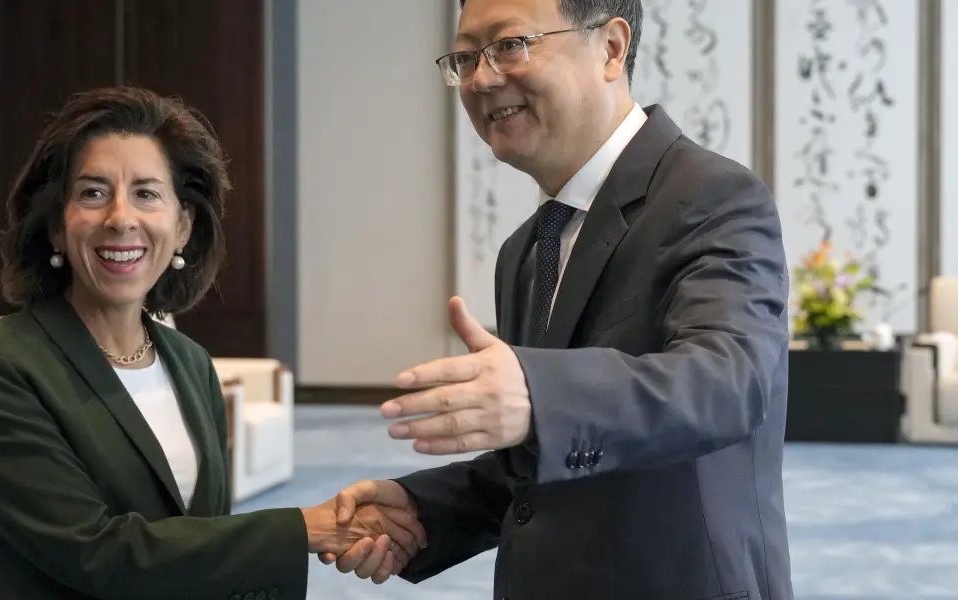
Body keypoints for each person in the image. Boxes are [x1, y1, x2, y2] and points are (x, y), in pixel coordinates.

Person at [321, 0, 794, 598]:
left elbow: (727, 383)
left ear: (611, 48)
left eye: (510, 45)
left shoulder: (711, 194)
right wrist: (421, 511)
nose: (481, 79)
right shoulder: (526, 249)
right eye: (465, 58)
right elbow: (547, 460)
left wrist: (539, 397)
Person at [0, 86, 426, 600]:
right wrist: (304, 529)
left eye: (146, 194)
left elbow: (207, 545)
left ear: (183, 227)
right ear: (57, 227)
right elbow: (95, 554)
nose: (120, 217)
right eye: (93, 193)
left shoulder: (190, 364)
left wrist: (350, 530)